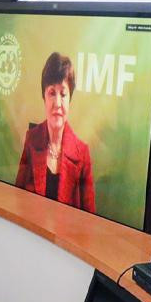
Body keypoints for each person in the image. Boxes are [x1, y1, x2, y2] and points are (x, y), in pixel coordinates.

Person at [15, 52, 96, 213]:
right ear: (44, 97)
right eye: (52, 93)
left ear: (70, 98)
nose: (57, 103)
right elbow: (18, 199)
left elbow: (90, 221)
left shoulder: (83, 154)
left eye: (63, 94)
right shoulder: (31, 139)